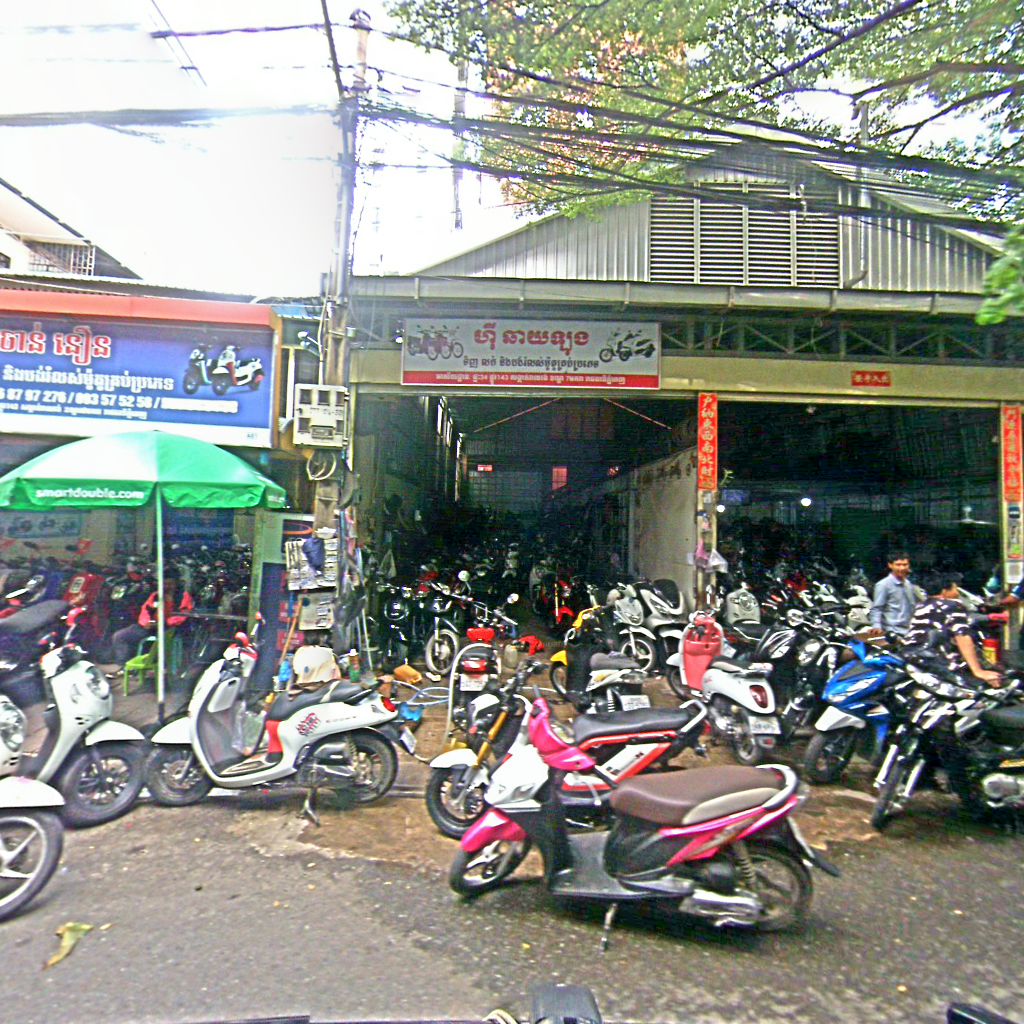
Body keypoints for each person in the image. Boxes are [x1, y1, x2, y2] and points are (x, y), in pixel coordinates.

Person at [902, 570, 1002, 687]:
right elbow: (962, 636)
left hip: (911, 657)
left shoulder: (922, 605)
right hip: (934, 660)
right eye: (955, 588)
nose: (957, 592)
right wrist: (978, 671)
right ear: (944, 591)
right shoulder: (952, 605)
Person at [106, 574, 194, 671]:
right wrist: (146, 623)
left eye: (170, 584)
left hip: (170, 629)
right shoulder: (155, 595)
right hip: (151, 627)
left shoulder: (183, 596)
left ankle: (163, 668)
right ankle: (123, 667)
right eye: (165, 584)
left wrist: (164, 623)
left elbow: (183, 615)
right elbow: (145, 610)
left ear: (176, 584)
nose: (167, 586)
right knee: (120, 636)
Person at [868, 550, 916, 635]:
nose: (902, 568)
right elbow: (877, 609)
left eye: (905, 564)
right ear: (890, 565)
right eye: (898, 565)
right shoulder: (883, 585)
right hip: (892, 632)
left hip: (909, 631)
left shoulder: (908, 584)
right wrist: (876, 626)